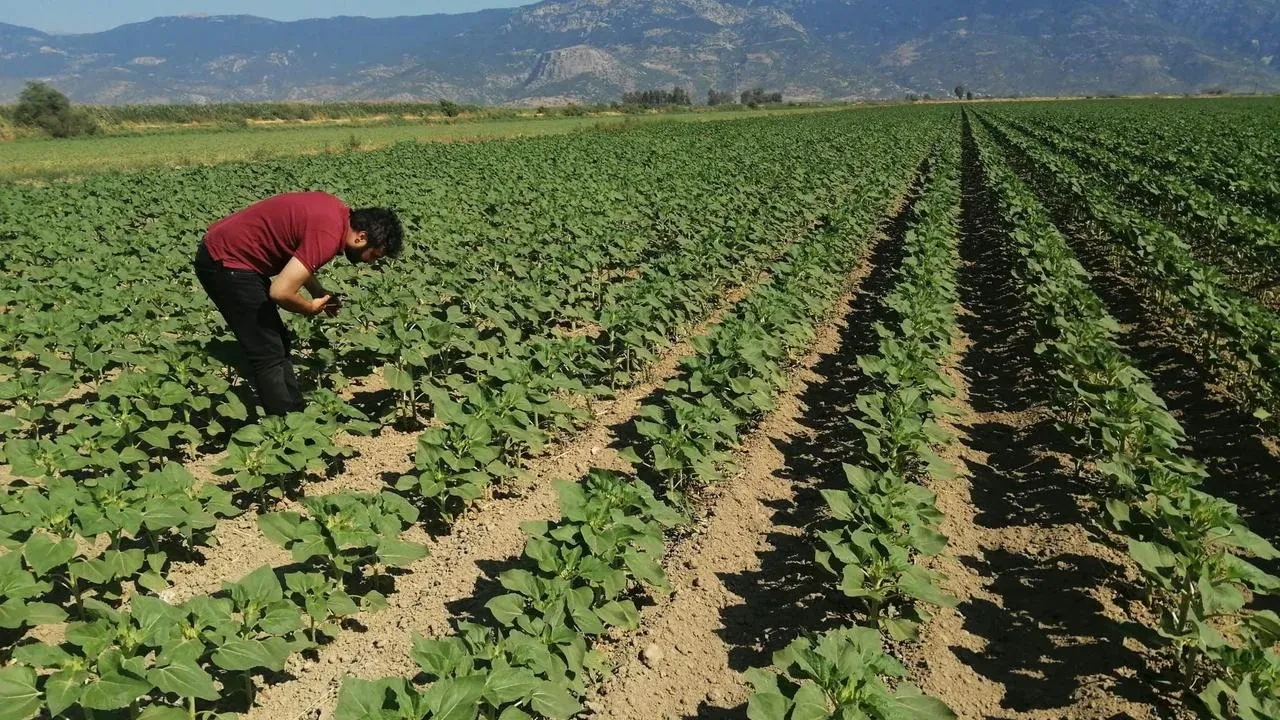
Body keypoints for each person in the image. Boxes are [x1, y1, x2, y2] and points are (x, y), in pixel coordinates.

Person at [194, 191, 403, 416]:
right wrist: (308, 308)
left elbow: (300, 256)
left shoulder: (335, 213)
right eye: (374, 255)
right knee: (267, 351)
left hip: (233, 255)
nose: (369, 262)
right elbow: (280, 292)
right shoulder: (329, 234)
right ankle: (286, 423)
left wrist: (318, 291)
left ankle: (295, 413)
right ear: (361, 237)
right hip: (225, 261)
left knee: (278, 342)